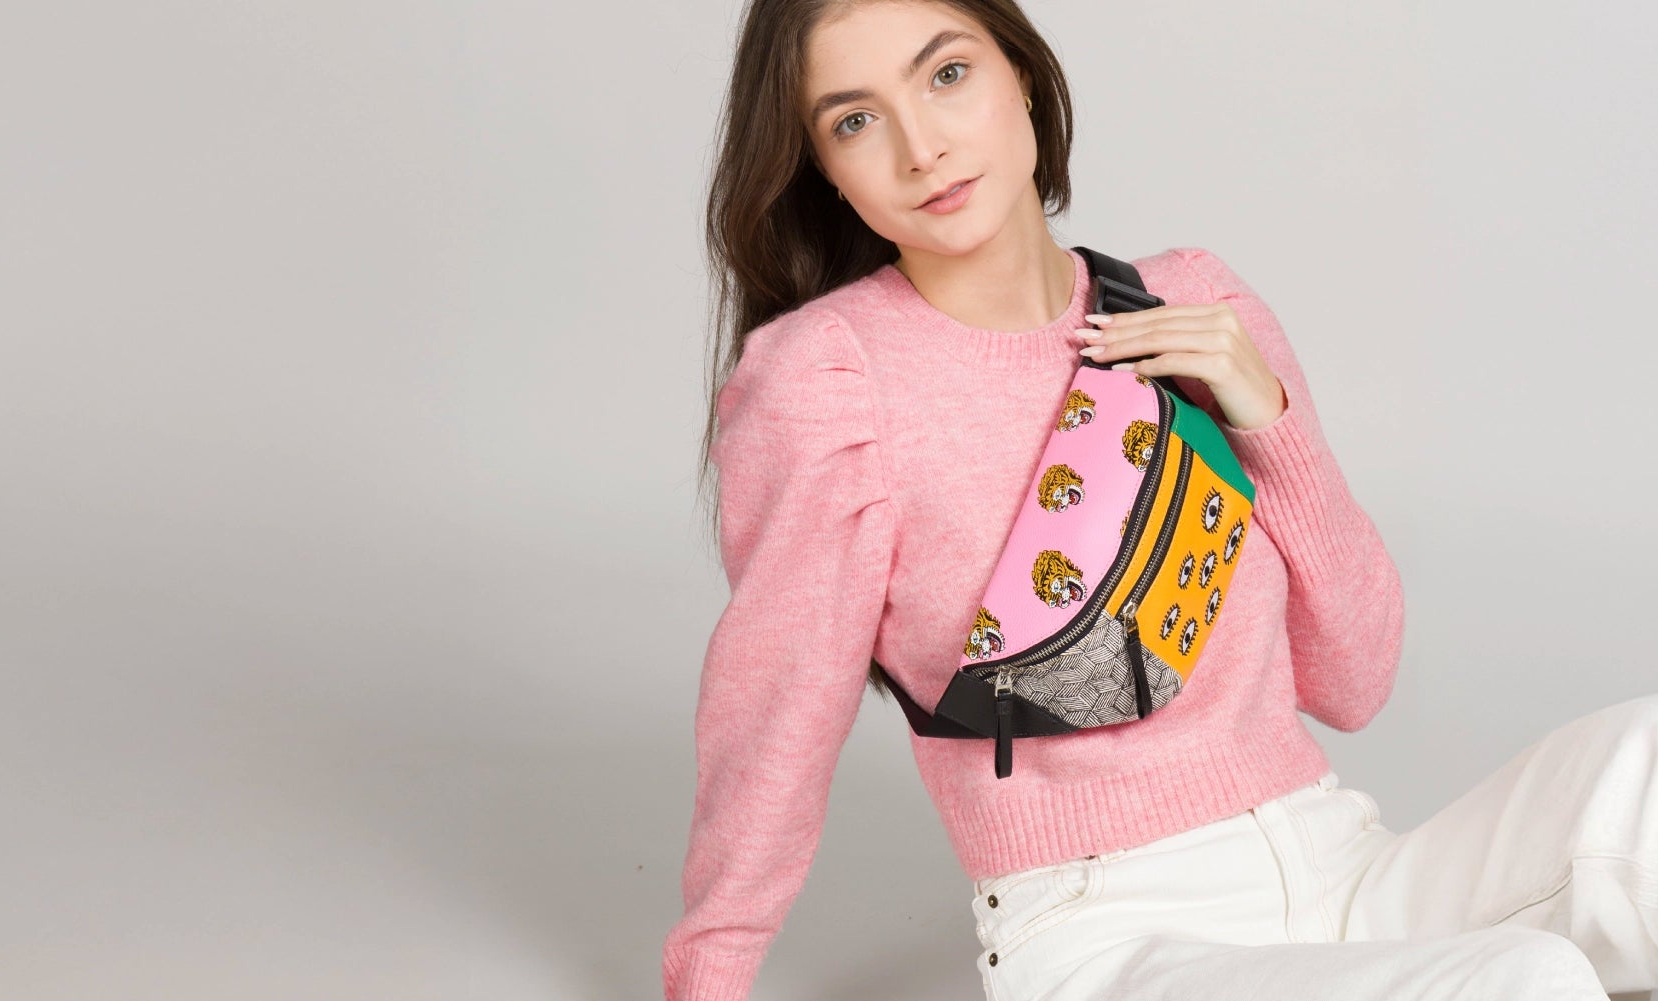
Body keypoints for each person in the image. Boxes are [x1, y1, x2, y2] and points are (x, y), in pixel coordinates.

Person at [662, 2, 1658, 1000]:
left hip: (1340, 864)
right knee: (1523, 979)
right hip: (1109, 935)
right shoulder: (829, 380)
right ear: (820, 168)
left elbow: (1354, 679)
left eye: (946, 75)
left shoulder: (1192, 305)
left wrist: (1264, 415)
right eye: (854, 120)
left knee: (1644, 760)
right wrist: (707, 974)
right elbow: (774, 705)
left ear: (1017, 72)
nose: (920, 146)